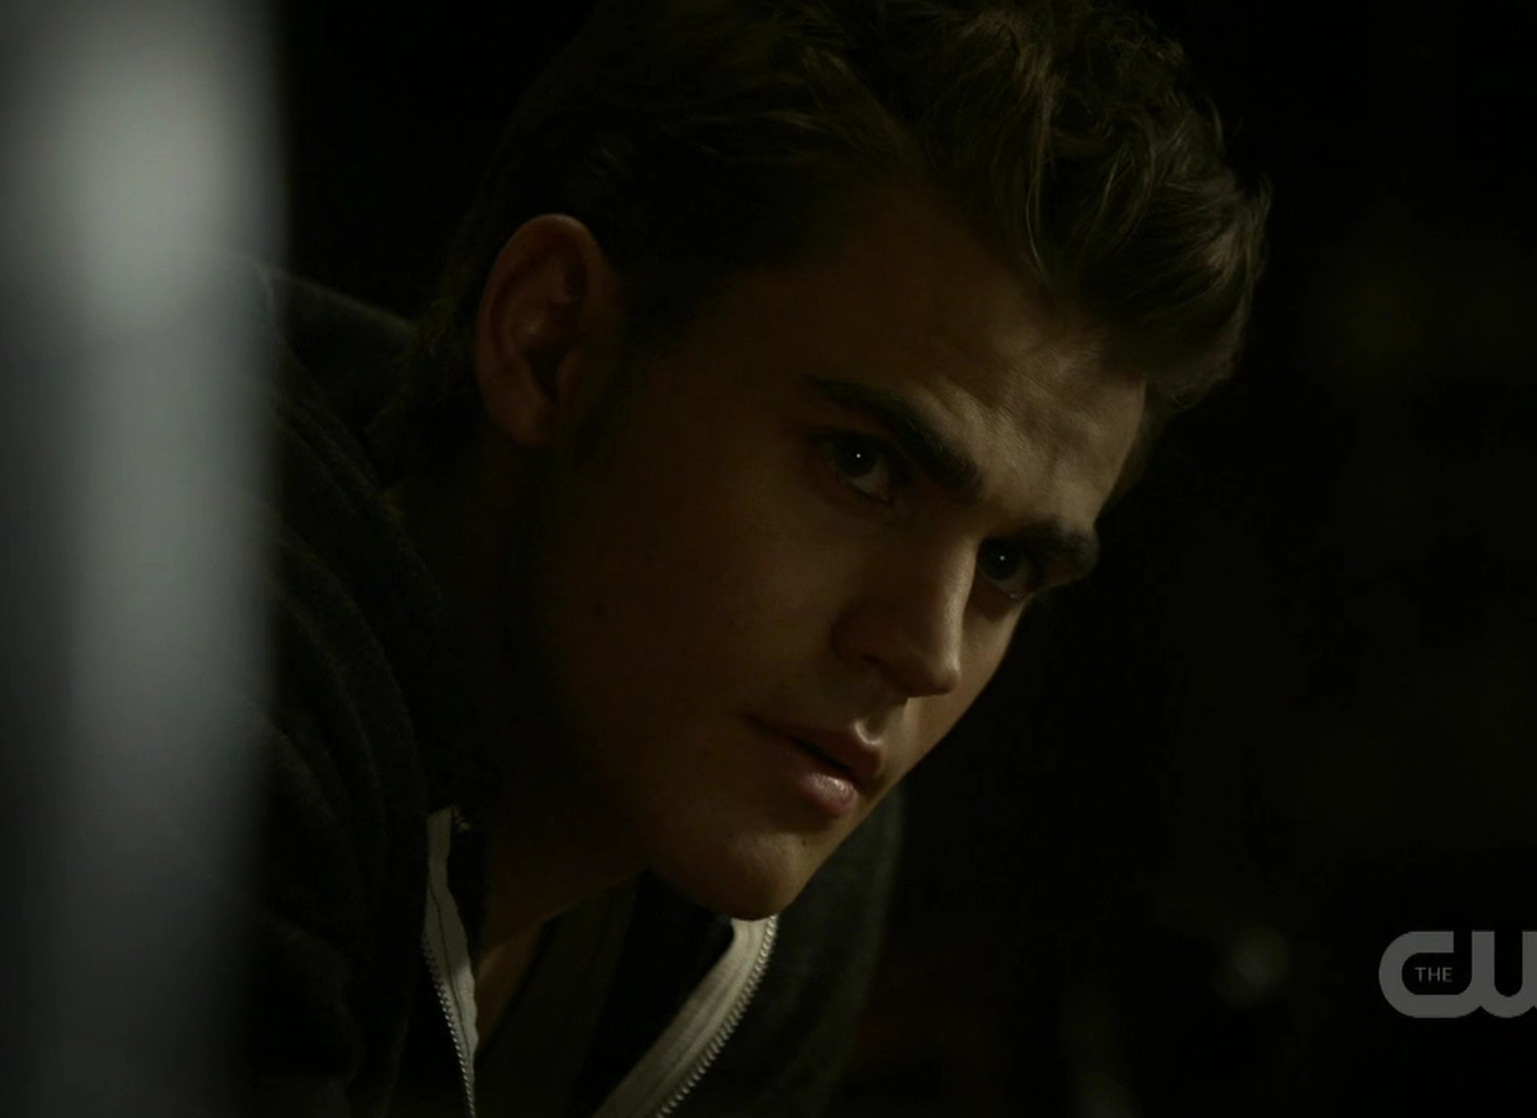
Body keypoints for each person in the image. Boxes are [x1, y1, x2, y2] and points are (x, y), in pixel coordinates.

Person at [235, 0, 1268, 1114]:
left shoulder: (783, 883)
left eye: (1009, 565)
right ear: (551, 344)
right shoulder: (203, 681)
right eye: (862, 464)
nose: (925, 653)